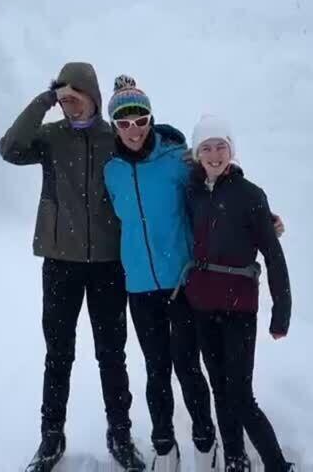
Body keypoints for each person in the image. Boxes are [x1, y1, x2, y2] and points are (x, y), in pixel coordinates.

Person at [0, 62, 146, 472]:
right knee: (58, 354)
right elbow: (9, 149)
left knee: (112, 354)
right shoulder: (50, 137)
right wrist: (44, 99)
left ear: (93, 97)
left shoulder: (114, 137)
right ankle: (51, 437)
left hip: (109, 264)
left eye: (75, 99)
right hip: (60, 261)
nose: (69, 106)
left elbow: (153, 150)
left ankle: (120, 435)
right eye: (64, 101)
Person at [101, 76, 219, 471]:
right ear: (114, 126)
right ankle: (165, 446)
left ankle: (205, 443)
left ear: (151, 119)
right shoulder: (112, 170)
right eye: (124, 122)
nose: (133, 130)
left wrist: (259, 218)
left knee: (188, 367)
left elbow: (214, 188)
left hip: (180, 283)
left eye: (140, 120)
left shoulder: (177, 161)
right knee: (156, 371)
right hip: (139, 287)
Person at [182, 114, 296, 472]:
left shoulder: (251, 195)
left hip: (239, 308)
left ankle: (277, 465)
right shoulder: (191, 192)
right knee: (219, 388)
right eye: (206, 148)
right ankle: (235, 458)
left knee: (241, 396)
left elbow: (273, 256)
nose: (214, 154)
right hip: (203, 306)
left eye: (221, 146)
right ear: (197, 153)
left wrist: (281, 311)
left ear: (232, 150)